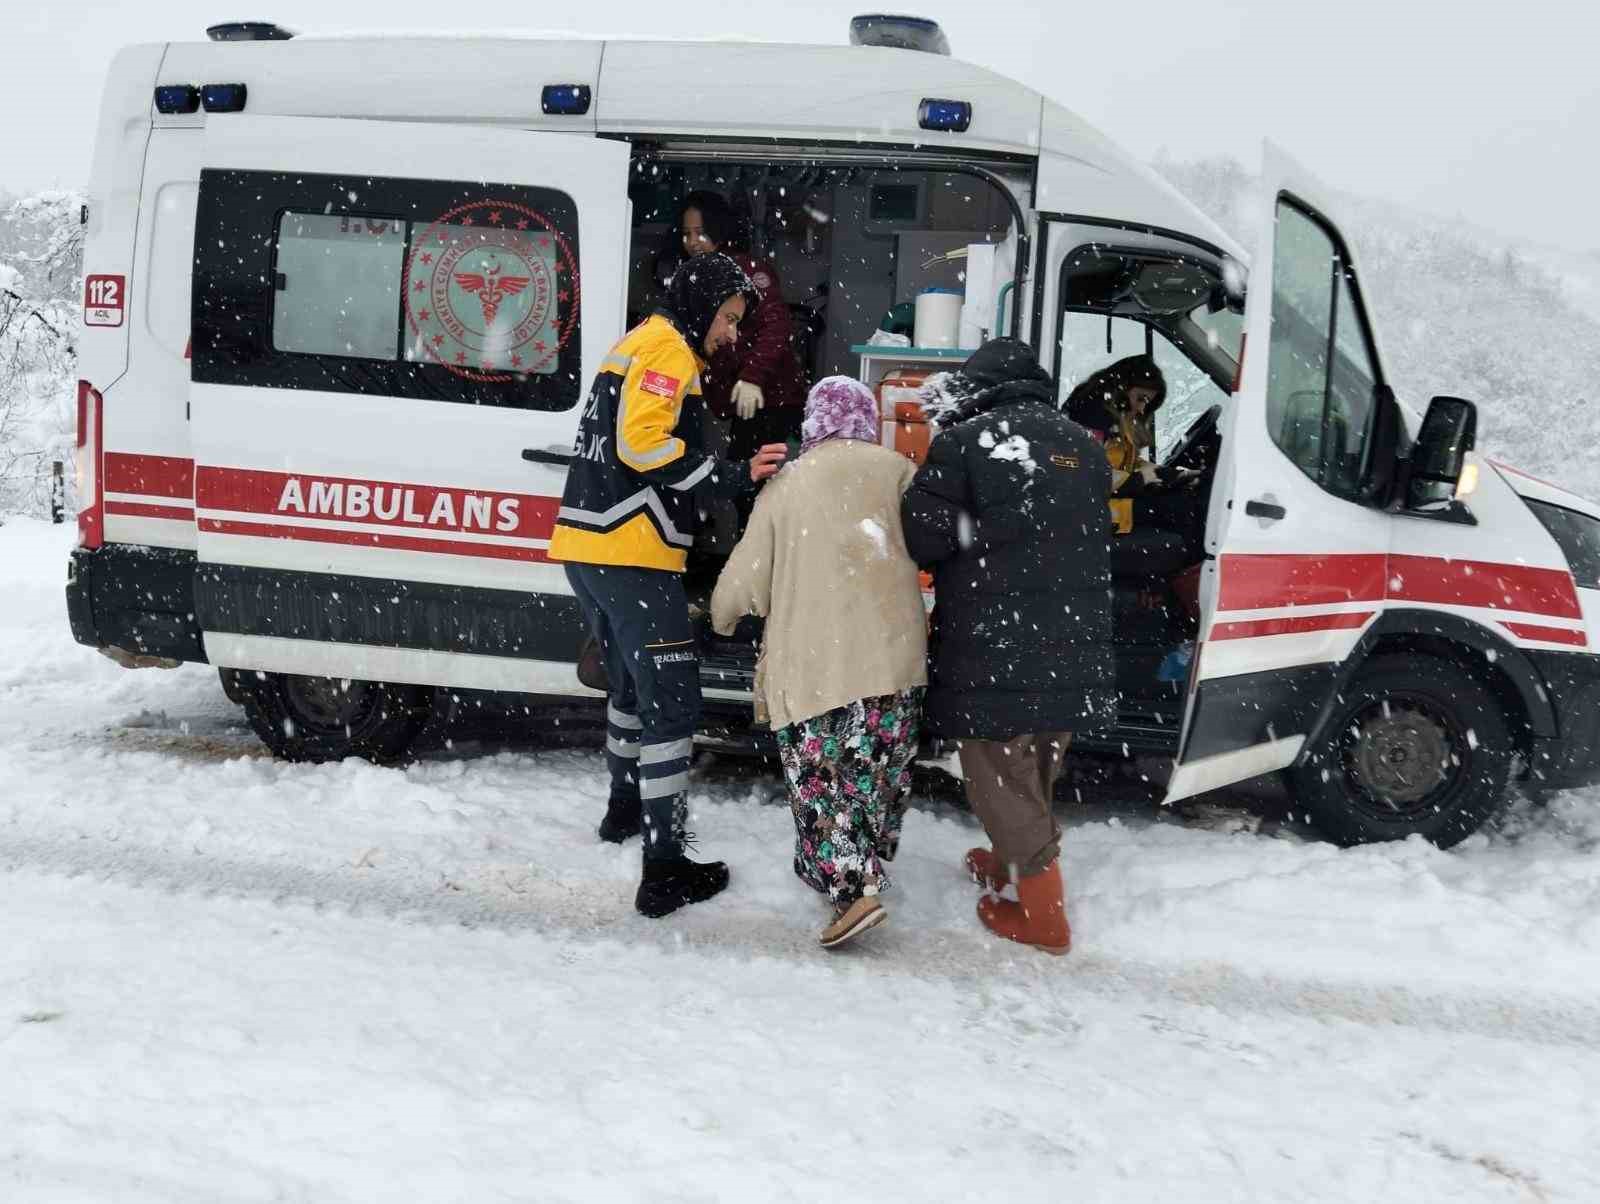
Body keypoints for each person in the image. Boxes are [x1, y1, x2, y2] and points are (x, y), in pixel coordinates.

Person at [548, 252, 788, 919]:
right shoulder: (667, 348)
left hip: (587, 547)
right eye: (729, 317)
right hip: (633, 554)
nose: (730, 334)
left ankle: (623, 813)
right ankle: (664, 870)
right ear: (702, 301)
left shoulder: (631, 344)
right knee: (674, 707)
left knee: (628, 687)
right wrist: (732, 476)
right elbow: (642, 446)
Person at [901, 338, 1114, 955]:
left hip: (996, 641)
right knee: (1037, 760)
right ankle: (1009, 862)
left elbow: (923, 537)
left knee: (998, 773)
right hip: (1073, 638)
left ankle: (1046, 922)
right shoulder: (1084, 446)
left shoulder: (967, 443)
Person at [710, 376, 928, 949]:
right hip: (895, 663)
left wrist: (720, 616)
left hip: (816, 665)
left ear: (814, 424)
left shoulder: (789, 485)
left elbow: (744, 580)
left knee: (822, 782)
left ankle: (853, 891)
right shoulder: (900, 473)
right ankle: (861, 867)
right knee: (875, 775)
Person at [679, 191, 807, 461]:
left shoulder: (746, 270)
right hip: (740, 405)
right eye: (687, 234)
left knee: (752, 483)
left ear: (717, 230)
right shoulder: (693, 275)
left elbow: (776, 324)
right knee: (744, 478)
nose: (692, 242)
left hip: (772, 400)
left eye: (700, 233)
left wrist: (752, 377)